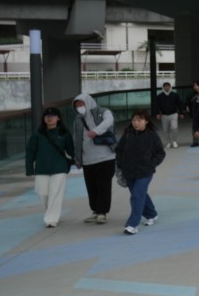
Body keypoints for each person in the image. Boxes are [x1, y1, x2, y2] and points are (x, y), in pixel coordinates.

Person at [114, 110, 166, 235]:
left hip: (145, 172)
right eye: (134, 120)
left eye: (139, 120)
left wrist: (151, 164)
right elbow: (119, 149)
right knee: (141, 194)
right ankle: (152, 214)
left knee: (137, 196)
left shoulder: (151, 135)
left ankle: (132, 225)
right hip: (129, 171)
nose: (136, 123)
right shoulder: (128, 134)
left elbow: (160, 153)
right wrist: (121, 164)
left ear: (146, 121)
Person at [71, 93, 116, 224]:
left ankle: (103, 212)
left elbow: (109, 121)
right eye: (77, 105)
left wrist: (96, 131)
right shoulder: (78, 120)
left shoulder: (103, 112)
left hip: (106, 157)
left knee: (103, 186)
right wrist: (78, 158)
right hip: (88, 159)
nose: (79, 107)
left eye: (81, 104)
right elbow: (77, 140)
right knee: (91, 187)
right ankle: (95, 211)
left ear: (88, 102)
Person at [25, 107, 73, 228]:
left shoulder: (65, 133)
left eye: (52, 116)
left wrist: (77, 160)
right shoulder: (37, 134)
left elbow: (71, 150)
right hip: (42, 168)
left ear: (58, 118)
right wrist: (29, 169)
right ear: (44, 119)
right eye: (47, 116)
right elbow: (30, 152)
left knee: (55, 193)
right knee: (42, 193)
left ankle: (51, 219)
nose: (49, 118)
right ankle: (51, 212)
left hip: (59, 168)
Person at [154, 81, 182, 148]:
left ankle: (174, 141)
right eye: (165, 86)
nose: (166, 87)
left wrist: (181, 113)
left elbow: (179, 104)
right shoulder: (160, 96)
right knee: (165, 129)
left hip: (173, 114)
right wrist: (157, 113)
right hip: (164, 115)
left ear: (170, 87)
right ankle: (168, 142)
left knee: (174, 127)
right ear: (163, 87)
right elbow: (157, 105)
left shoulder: (175, 95)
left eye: (168, 86)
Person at [184, 80, 199, 147]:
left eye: (195, 85)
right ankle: (195, 142)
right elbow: (187, 101)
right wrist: (186, 107)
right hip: (195, 114)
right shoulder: (191, 94)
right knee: (195, 128)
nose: (194, 86)